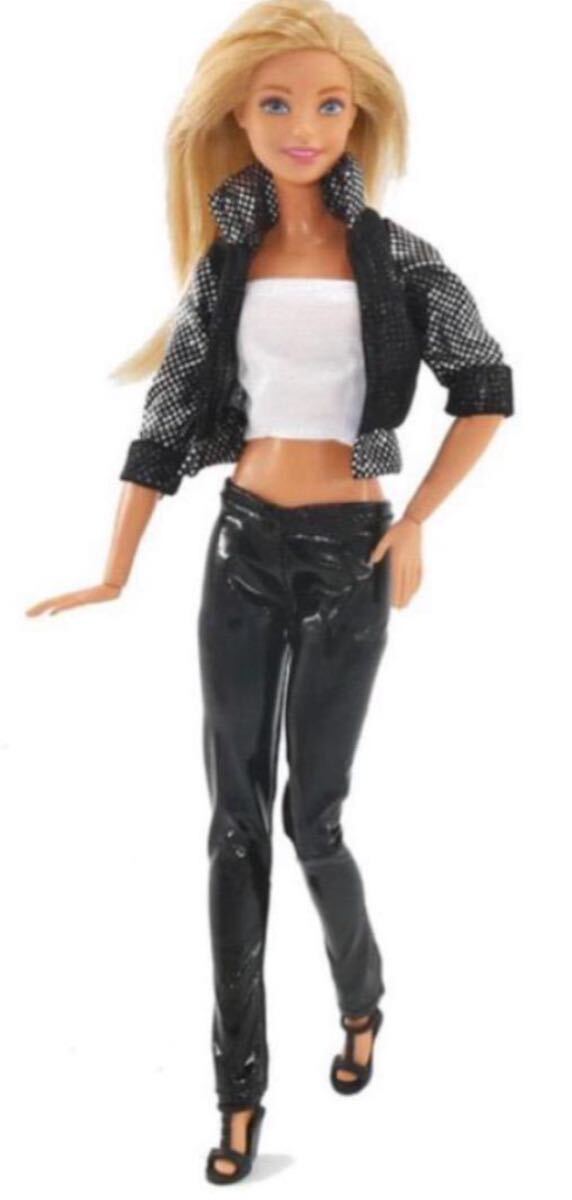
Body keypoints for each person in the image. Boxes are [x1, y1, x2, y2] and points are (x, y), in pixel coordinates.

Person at [26, 0, 514, 1183]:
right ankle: (236, 1095)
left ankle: (361, 999)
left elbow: (484, 389)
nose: (304, 125)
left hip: (351, 552)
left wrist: (412, 522)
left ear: (359, 119)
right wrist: (115, 566)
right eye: (277, 104)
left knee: (312, 819)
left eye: (328, 105)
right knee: (232, 826)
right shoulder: (224, 264)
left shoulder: (400, 259)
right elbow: (166, 422)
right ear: (235, 120)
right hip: (240, 544)